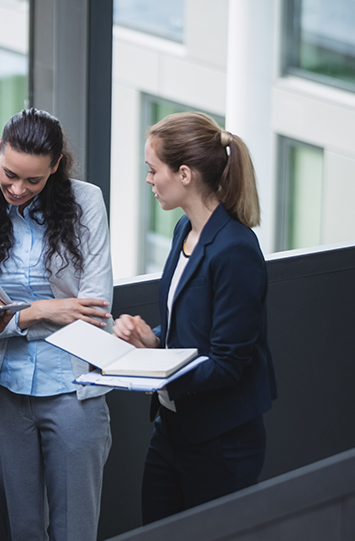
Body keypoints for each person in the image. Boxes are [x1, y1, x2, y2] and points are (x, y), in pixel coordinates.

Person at [112, 112, 278, 523]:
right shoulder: (184, 230)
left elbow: (227, 363)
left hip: (220, 440)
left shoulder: (235, 250)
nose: (148, 180)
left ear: (184, 174)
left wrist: (150, 371)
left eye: (153, 170)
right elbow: (183, 333)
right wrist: (150, 339)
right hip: (172, 429)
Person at [0, 108, 114, 541]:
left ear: (56, 168)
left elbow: (94, 311)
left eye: (33, 180)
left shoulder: (86, 203)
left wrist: (6, 312)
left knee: (74, 532)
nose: (17, 188)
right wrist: (45, 310)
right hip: (4, 390)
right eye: (9, 174)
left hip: (74, 390)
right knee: (22, 531)